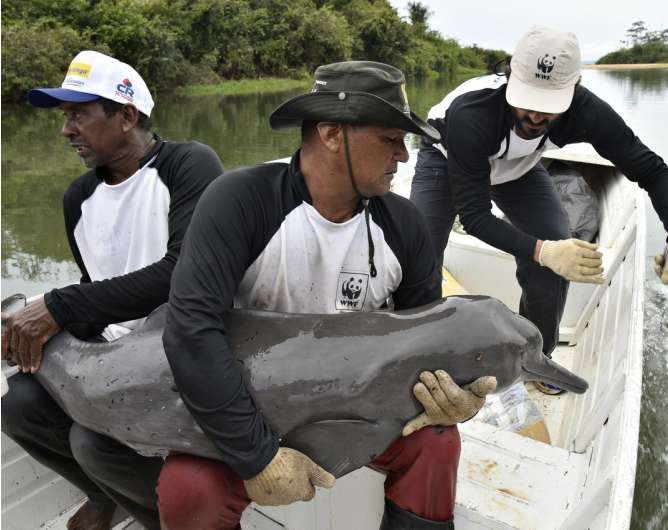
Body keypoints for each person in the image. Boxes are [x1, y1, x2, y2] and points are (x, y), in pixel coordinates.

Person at [158, 61, 496, 530]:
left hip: (360, 405)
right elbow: (190, 332)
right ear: (332, 134)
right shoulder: (239, 200)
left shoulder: (405, 224)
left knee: (437, 441)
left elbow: (430, 338)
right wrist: (257, 457)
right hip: (253, 401)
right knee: (189, 491)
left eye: (404, 141)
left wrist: (458, 396)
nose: (403, 156)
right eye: (389, 139)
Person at [1, 50, 224, 530]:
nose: (66, 130)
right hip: (114, 361)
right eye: (65, 117)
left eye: (79, 114)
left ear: (126, 115)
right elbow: (96, 290)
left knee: (91, 442)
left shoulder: (189, 166)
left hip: (187, 353)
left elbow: (182, 276)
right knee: (17, 405)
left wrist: (58, 305)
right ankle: (107, 494)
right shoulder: (78, 199)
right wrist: (29, 327)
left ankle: (162, 515)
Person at [410, 26, 668, 374]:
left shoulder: (588, 112)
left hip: (519, 168)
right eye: (527, 101)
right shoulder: (474, 112)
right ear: (510, 76)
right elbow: (475, 217)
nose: (535, 116)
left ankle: (536, 358)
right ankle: (417, 358)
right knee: (419, 258)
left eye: (549, 107)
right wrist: (543, 250)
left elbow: (653, 171)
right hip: (447, 158)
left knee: (557, 246)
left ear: (574, 91)